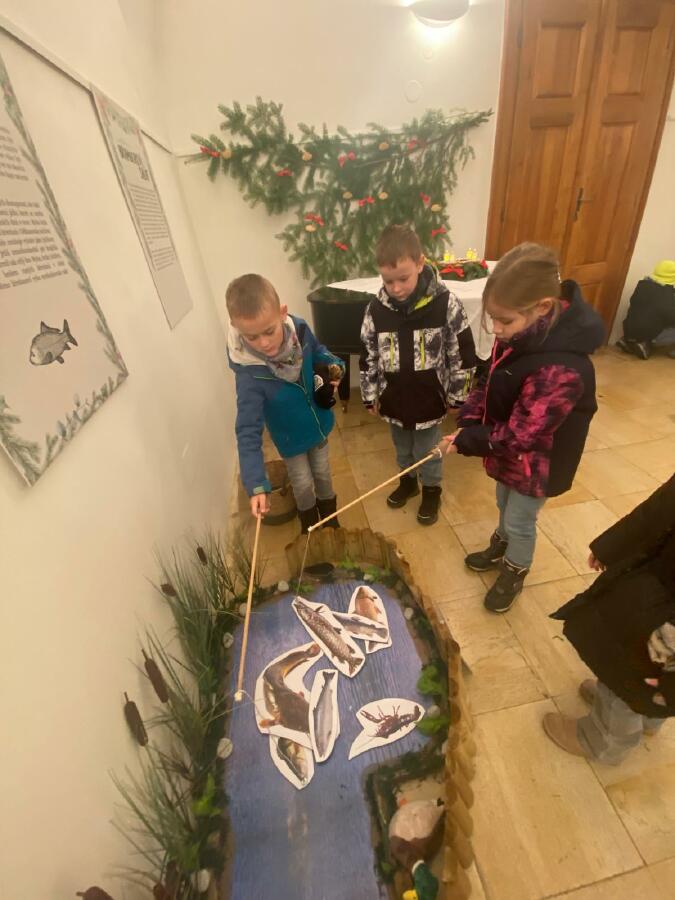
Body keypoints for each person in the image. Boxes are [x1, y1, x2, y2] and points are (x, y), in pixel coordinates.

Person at [442, 243, 605, 612]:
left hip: (538, 464)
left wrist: (470, 440)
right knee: (503, 502)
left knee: (520, 518)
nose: (496, 330)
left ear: (543, 307)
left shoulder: (561, 369)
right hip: (509, 453)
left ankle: (515, 570)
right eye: (492, 319)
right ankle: (501, 545)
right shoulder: (519, 337)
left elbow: (522, 433)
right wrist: (470, 417)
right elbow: (489, 381)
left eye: (505, 321)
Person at [546, 474, 675, 764]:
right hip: (661, 578)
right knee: (656, 676)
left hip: (664, 605)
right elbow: (664, 505)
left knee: (627, 665)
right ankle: (647, 717)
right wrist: (613, 546)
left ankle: (603, 741)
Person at [359, 224, 476, 526]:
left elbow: (462, 352)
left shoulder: (446, 303)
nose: (396, 288)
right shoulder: (375, 310)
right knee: (402, 447)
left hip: (429, 399)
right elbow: (369, 354)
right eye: (388, 281)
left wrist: (458, 396)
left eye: (403, 278)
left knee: (428, 450)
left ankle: (432, 490)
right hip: (394, 399)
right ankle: (408, 482)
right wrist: (370, 395)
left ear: (420, 263)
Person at [227, 273, 344, 532]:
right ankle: (310, 526)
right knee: (301, 484)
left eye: (269, 331)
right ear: (237, 328)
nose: (264, 343)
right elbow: (247, 430)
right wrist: (256, 484)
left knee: (323, 474)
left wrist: (335, 365)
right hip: (290, 440)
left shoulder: (300, 329)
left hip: (318, 425)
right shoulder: (249, 374)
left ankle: (330, 518)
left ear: (282, 314)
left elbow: (319, 351)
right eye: (252, 337)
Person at [616, 260, 675, 360]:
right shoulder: (666, 294)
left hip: (628, 327)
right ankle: (645, 343)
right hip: (648, 331)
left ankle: (628, 340)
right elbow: (671, 316)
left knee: (648, 316)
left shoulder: (643, 285)